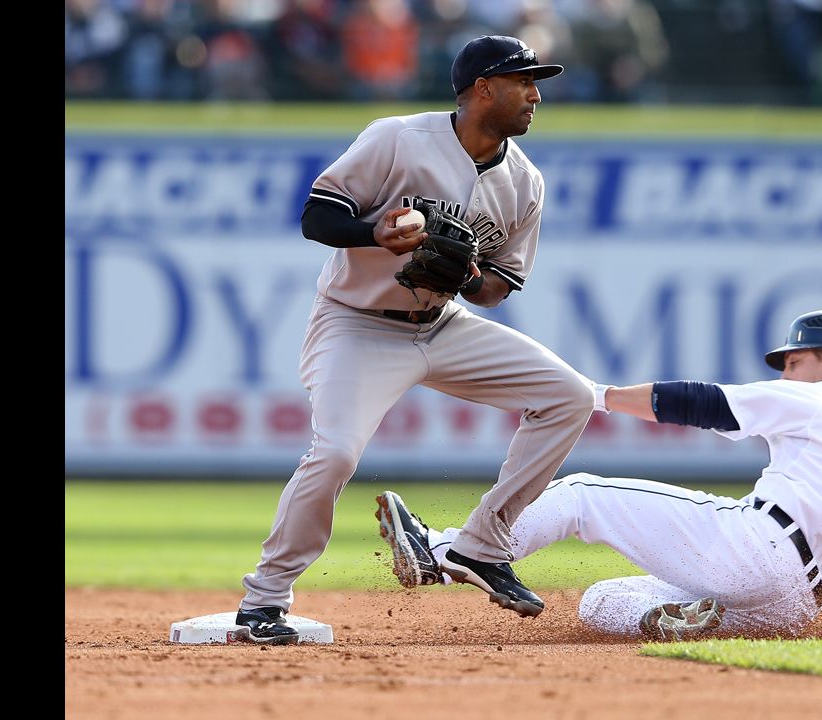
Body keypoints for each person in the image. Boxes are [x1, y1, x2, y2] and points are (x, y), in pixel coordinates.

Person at [378, 310, 822, 640]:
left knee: (580, 493)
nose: (786, 368)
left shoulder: (820, 398)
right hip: (793, 609)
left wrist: (591, 395)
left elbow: (702, 404)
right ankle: (683, 619)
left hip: (756, 548)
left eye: (798, 357)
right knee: (601, 601)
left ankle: (446, 553)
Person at [234, 35, 595, 645]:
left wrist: (464, 271)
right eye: (523, 82)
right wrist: (377, 233)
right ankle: (263, 600)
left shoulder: (525, 182)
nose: (535, 95)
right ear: (483, 88)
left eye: (537, 83)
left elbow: (493, 292)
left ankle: (481, 545)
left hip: (440, 325)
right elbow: (317, 218)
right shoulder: (398, 137)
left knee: (570, 397)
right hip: (356, 322)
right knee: (336, 455)